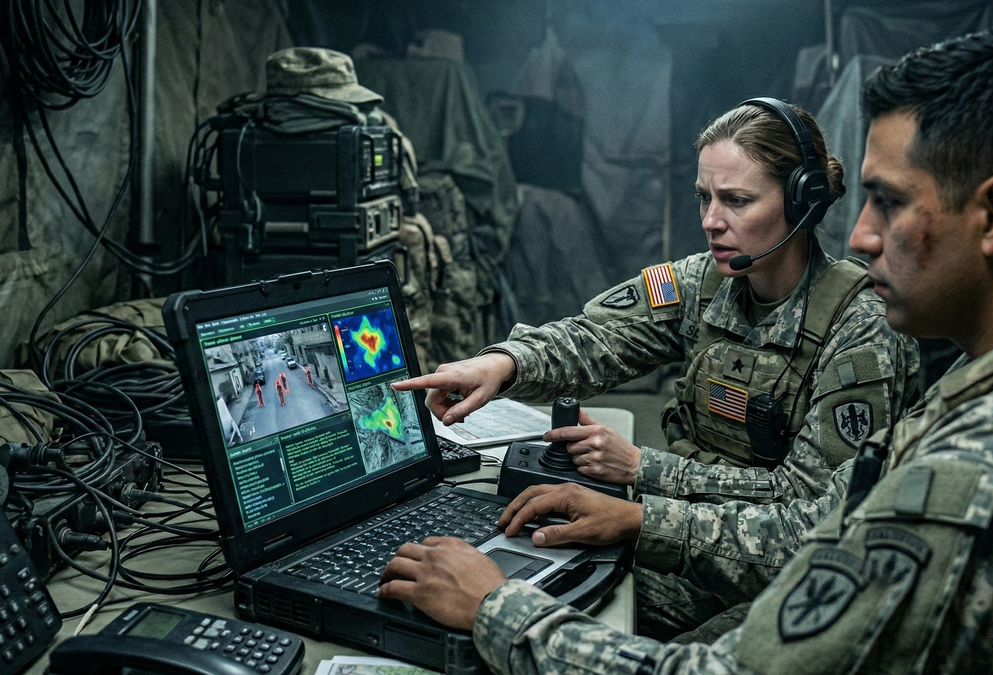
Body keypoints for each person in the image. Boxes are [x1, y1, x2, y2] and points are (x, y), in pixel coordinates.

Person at [378, 31, 993, 673]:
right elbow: (609, 334)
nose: (865, 233)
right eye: (704, 198)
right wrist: (510, 364)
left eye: (887, 201)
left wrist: (504, 605)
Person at [392, 98, 920, 639]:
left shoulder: (861, 331)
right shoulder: (704, 283)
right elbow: (597, 336)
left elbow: (808, 515)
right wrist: (503, 363)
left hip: (789, 581)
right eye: (704, 198)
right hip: (692, 541)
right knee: (501, 572)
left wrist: (644, 474)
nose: (711, 221)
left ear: (801, 203)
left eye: (736, 200)